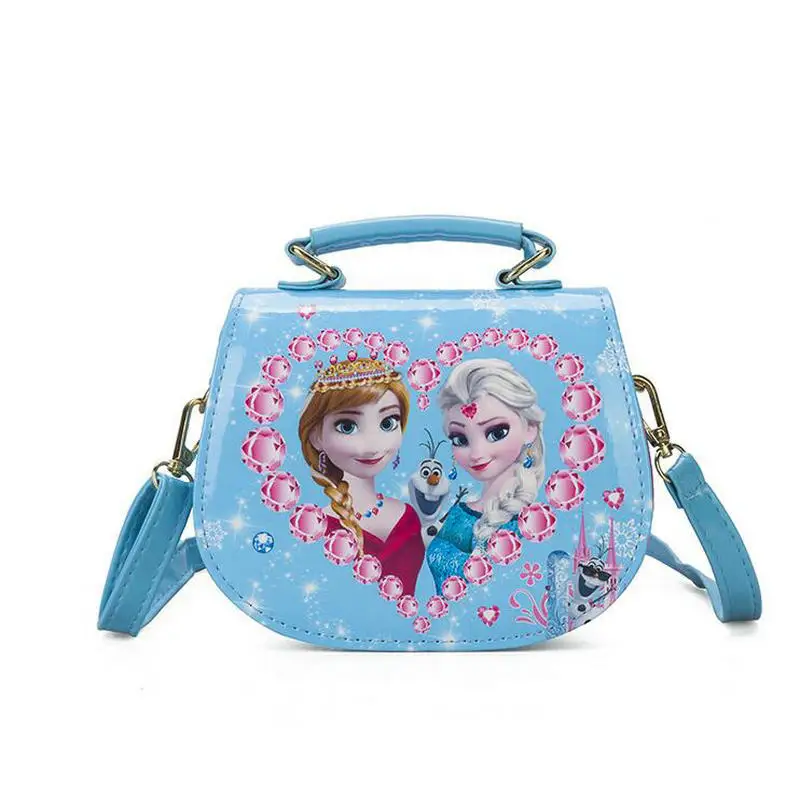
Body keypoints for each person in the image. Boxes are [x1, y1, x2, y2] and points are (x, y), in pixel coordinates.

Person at [298, 356, 425, 594]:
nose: (372, 445)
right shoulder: (312, 527)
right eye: (347, 426)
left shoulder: (407, 516)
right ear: (316, 437)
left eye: (388, 423)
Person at [426, 358, 545, 593]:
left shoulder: (530, 522)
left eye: (496, 433)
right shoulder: (458, 512)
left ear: (530, 428)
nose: (477, 453)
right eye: (460, 439)